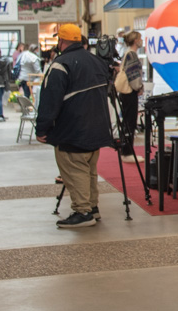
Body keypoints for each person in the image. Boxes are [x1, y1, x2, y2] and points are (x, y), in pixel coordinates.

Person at [36, 24, 114, 229]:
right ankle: (92, 207)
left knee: (74, 168)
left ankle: (83, 211)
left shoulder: (61, 64)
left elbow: (50, 100)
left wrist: (42, 128)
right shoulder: (97, 61)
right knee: (89, 170)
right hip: (97, 127)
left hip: (72, 129)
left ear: (61, 42)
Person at [119, 31, 144, 162]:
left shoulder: (127, 53)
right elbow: (133, 75)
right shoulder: (132, 55)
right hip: (129, 93)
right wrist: (139, 87)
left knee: (127, 121)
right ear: (135, 40)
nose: (142, 40)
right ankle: (127, 152)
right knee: (130, 121)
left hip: (126, 93)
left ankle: (126, 150)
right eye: (140, 38)